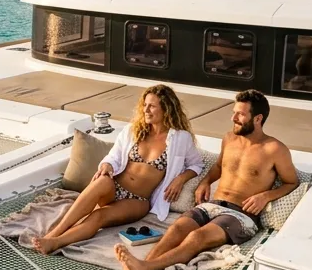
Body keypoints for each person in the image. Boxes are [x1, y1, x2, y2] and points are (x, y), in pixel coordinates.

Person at [115, 89, 298, 270]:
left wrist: (265, 196)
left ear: (258, 118)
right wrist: (205, 182)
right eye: (234, 112)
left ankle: (145, 267)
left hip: (241, 215)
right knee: (177, 228)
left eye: (240, 114)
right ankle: (141, 266)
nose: (233, 117)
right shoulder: (229, 138)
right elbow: (219, 167)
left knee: (197, 236)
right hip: (212, 205)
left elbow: (292, 182)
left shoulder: (275, 149)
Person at [34, 84, 203, 255]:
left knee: (99, 217)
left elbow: (196, 164)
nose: (146, 110)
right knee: (101, 180)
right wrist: (106, 165)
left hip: (137, 200)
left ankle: (56, 242)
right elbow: (113, 157)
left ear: (166, 109)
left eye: (152, 106)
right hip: (113, 187)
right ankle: (54, 233)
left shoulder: (181, 138)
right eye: (144, 105)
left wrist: (180, 179)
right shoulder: (133, 131)